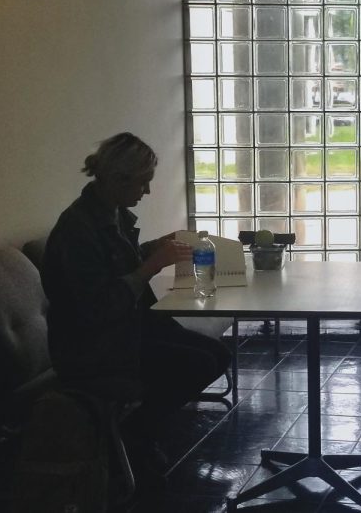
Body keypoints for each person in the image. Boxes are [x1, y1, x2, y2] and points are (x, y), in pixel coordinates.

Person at [41, 132, 231, 486]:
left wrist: (153, 248)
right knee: (199, 363)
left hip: (124, 329)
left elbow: (115, 266)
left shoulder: (111, 214)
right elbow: (97, 306)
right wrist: (152, 266)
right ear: (118, 178)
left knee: (218, 354)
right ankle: (132, 437)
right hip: (93, 347)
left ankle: (142, 432)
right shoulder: (77, 231)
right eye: (143, 182)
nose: (147, 192)